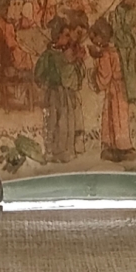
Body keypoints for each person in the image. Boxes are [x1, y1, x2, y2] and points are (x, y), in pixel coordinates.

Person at [34, 10, 88, 162]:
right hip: (54, 94)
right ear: (57, 37)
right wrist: (45, 83)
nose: (69, 38)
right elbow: (39, 72)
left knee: (66, 121)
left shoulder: (68, 53)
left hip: (66, 94)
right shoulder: (49, 55)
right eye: (66, 35)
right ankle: (52, 151)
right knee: (53, 121)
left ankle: (65, 151)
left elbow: (74, 73)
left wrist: (78, 61)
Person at [89, 17, 136, 162]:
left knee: (116, 117)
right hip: (119, 88)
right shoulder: (114, 50)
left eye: (95, 37)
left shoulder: (105, 53)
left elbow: (105, 75)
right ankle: (117, 146)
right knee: (116, 116)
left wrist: (93, 73)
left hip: (114, 90)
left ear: (102, 36)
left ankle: (121, 146)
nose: (93, 41)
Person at [0, 0, 36, 110]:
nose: (18, 8)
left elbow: (31, 28)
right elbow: (1, 50)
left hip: (18, 60)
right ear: (6, 5)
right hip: (5, 64)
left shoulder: (19, 20)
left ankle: (25, 94)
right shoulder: (0, 24)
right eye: (14, 4)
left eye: (20, 4)